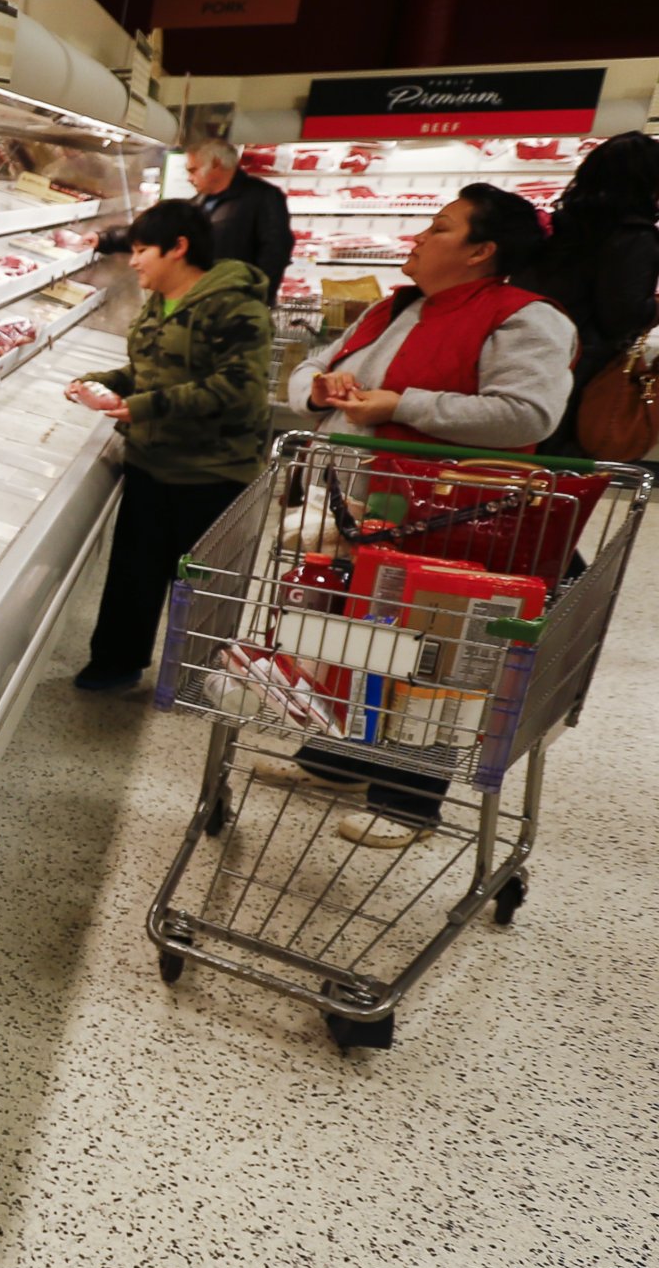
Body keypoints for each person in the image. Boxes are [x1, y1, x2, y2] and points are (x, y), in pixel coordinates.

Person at [269, 182, 576, 848]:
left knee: (432, 659)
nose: (418, 237)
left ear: (481, 251)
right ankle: (340, 756)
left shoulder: (525, 319)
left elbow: (528, 414)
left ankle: (409, 800)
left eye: (438, 228)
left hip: (451, 522)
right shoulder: (393, 307)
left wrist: (400, 404)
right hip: (359, 511)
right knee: (354, 635)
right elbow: (313, 369)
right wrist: (318, 389)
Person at [65, 199, 274, 693]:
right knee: (132, 574)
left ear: (178, 248)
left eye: (142, 250)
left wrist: (145, 407)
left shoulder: (236, 304)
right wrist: (98, 382)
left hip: (213, 471)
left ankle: (200, 681)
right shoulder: (160, 298)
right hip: (151, 460)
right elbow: (146, 370)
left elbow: (238, 390)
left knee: (204, 587)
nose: (132, 260)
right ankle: (115, 663)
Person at [512, 131, 659, 457]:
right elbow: (621, 316)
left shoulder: (555, 225)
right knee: (558, 470)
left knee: (517, 458)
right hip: (582, 369)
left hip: (526, 352)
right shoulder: (634, 235)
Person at [184, 138, 294, 300]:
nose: (189, 178)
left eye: (193, 170)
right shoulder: (195, 204)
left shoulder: (263, 197)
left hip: (240, 304)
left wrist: (258, 298)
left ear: (215, 163)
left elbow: (276, 250)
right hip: (200, 301)